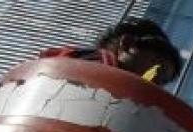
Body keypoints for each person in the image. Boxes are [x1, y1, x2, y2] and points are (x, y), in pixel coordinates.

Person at [38, 18, 181, 85]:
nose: (154, 84)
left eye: (162, 82)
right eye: (158, 69)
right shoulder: (92, 67)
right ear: (127, 45)